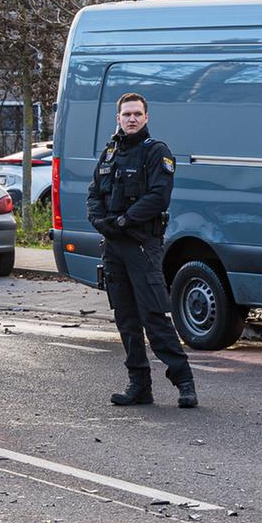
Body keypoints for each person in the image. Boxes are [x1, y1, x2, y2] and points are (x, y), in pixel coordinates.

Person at [86, 92, 196, 409]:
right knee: (126, 319)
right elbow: (93, 193)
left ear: (146, 117)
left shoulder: (156, 152)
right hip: (114, 248)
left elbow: (158, 198)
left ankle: (184, 381)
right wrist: (99, 221)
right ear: (117, 118)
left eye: (137, 114)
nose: (131, 119)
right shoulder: (109, 154)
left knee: (154, 317)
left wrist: (123, 221)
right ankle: (139, 385)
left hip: (141, 246)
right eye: (126, 114)